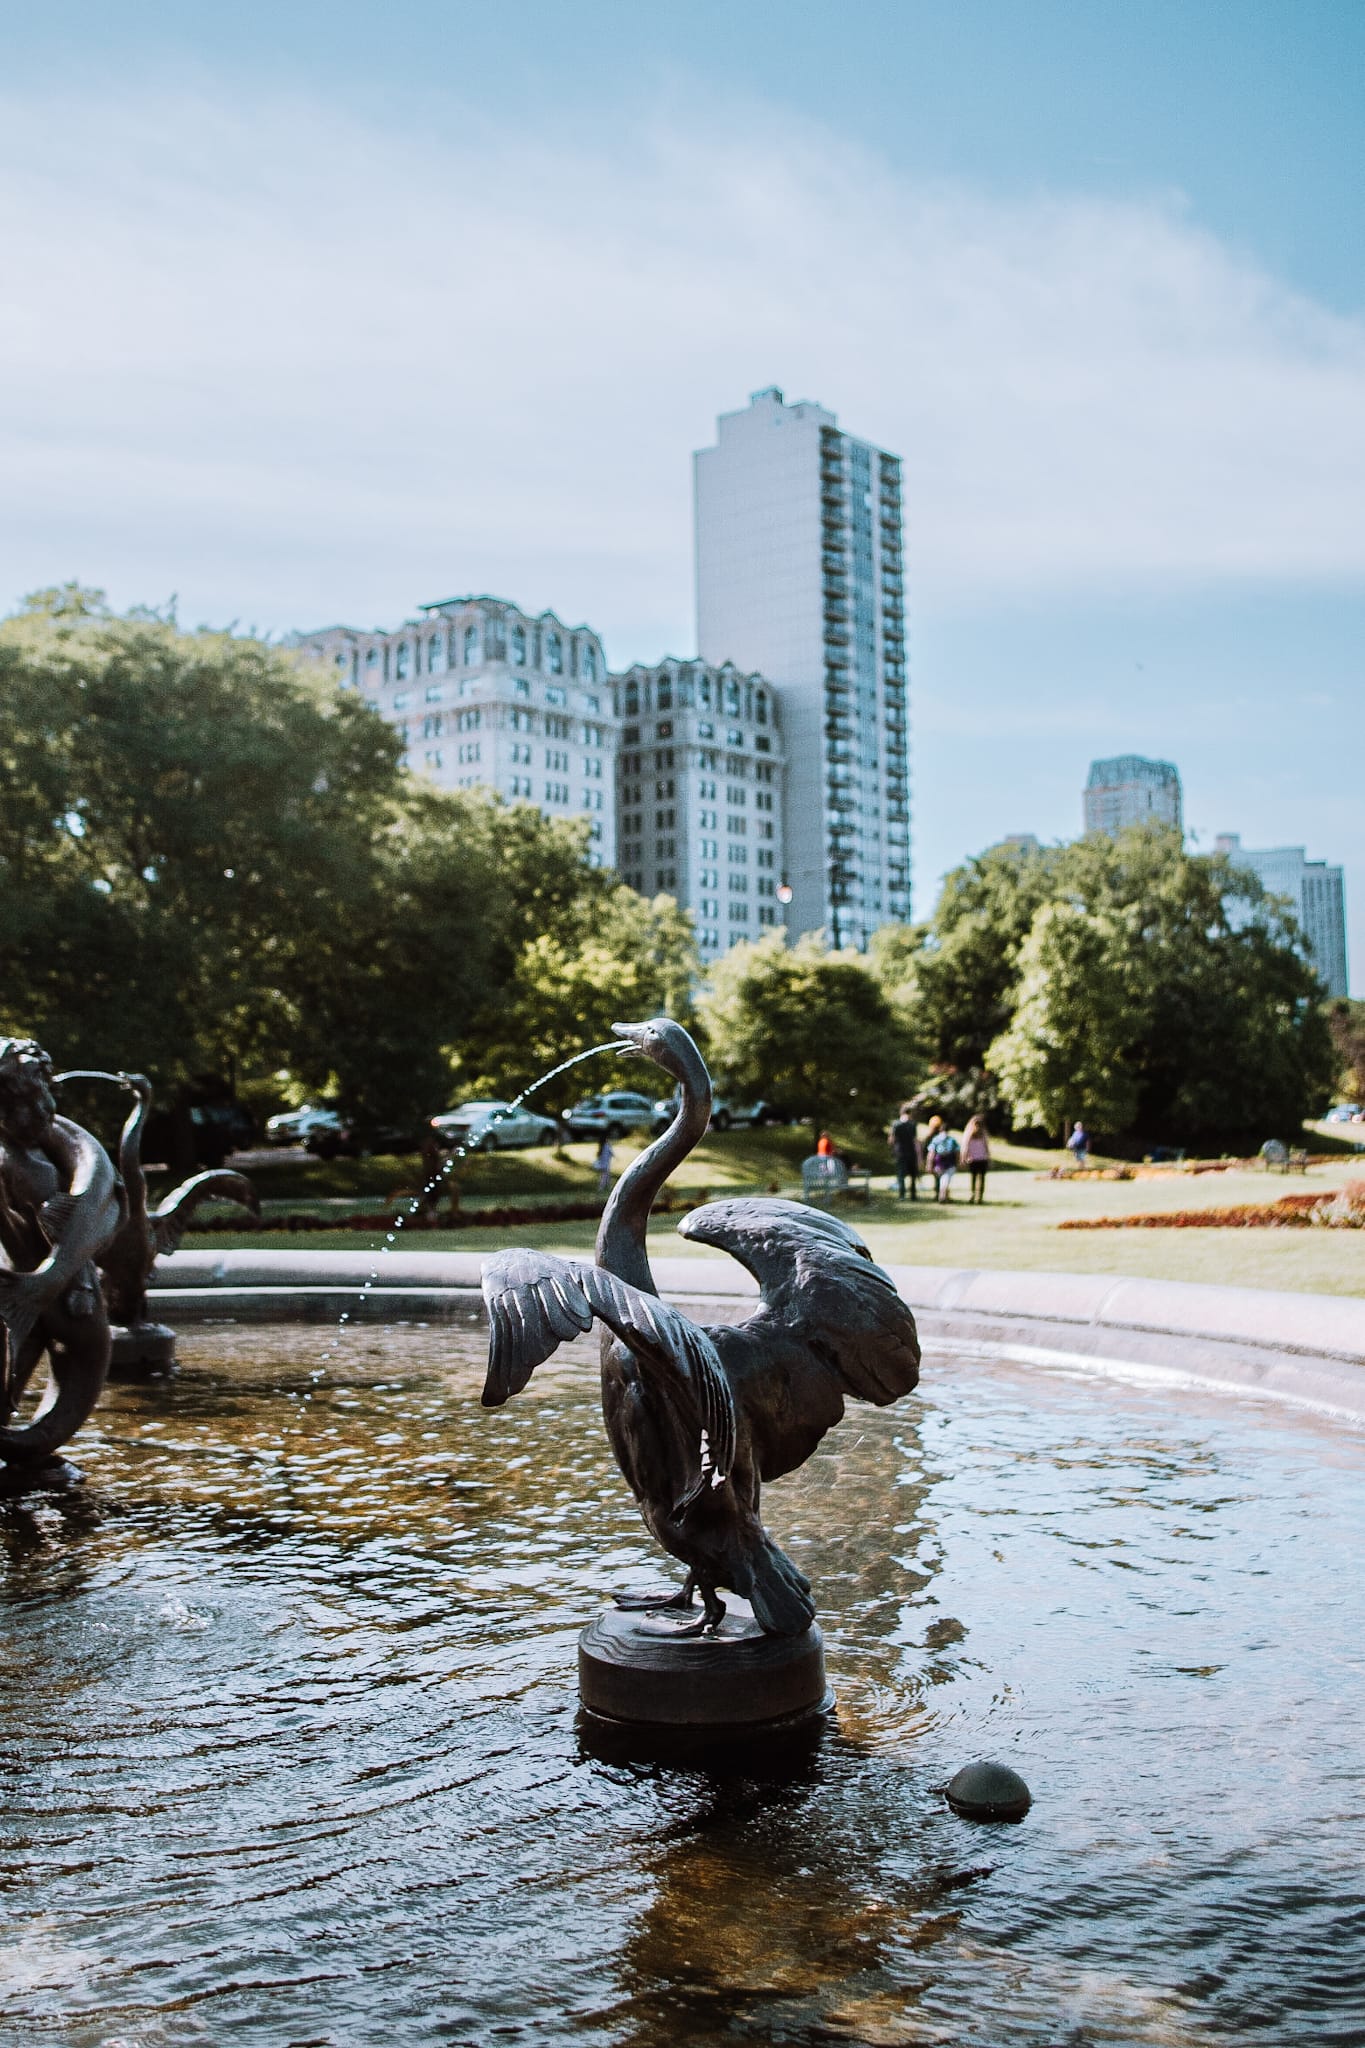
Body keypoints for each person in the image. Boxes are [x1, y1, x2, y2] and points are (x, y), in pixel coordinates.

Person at [888, 1103, 921, 1200]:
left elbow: (891, 1140)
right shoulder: (913, 1124)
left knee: (901, 1174)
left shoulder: (895, 1124)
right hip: (911, 1152)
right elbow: (915, 1140)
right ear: (909, 1113)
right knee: (913, 1174)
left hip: (900, 1152)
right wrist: (919, 1155)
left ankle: (902, 1195)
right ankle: (913, 1195)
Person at [925, 1119, 960, 1203]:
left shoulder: (936, 1139)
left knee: (942, 1180)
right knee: (945, 1180)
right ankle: (942, 1197)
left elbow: (931, 1152)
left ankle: (942, 1196)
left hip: (938, 1163)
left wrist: (929, 1164)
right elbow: (957, 1152)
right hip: (949, 1162)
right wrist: (958, 1162)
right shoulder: (952, 1140)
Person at [962, 1114, 991, 1204]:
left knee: (973, 1178)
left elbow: (965, 1147)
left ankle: (973, 1195)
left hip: (973, 1159)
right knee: (982, 1179)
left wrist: (963, 1158)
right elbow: (986, 1147)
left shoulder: (968, 1133)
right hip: (982, 1159)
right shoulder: (983, 1134)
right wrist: (989, 1158)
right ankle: (980, 1197)